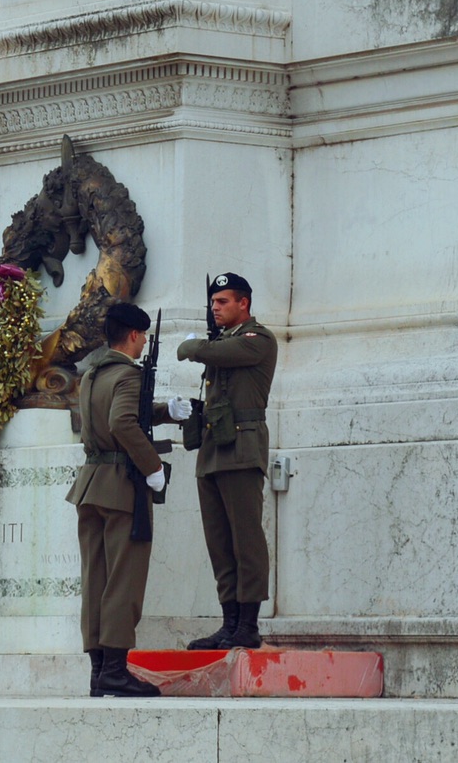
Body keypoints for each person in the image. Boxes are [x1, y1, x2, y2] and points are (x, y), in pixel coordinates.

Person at [67, 301, 188, 696]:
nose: (143, 345)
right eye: (143, 338)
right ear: (134, 336)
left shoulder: (92, 375)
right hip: (122, 486)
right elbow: (121, 422)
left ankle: (99, 671)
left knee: (96, 579)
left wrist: (164, 411)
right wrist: (152, 467)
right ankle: (116, 671)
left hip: (91, 483)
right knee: (124, 580)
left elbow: (113, 415)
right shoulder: (127, 375)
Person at [176, 272, 278, 650]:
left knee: (245, 540)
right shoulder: (222, 341)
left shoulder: (258, 340)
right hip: (214, 449)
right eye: (213, 303)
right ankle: (229, 622)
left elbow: (211, 353)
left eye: (223, 302)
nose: (215, 308)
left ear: (243, 304)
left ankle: (247, 626)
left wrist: (193, 346)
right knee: (220, 542)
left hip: (241, 448)